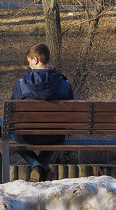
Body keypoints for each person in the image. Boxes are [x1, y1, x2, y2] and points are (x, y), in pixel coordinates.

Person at [11, 42, 74, 182]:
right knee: (57, 133)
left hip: (26, 136)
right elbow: (71, 114)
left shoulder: (21, 84)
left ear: (36, 60)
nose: (29, 66)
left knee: (5, 128)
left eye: (29, 61)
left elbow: (12, 115)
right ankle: (42, 166)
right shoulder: (64, 84)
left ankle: (36, 165)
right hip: (55, 136)